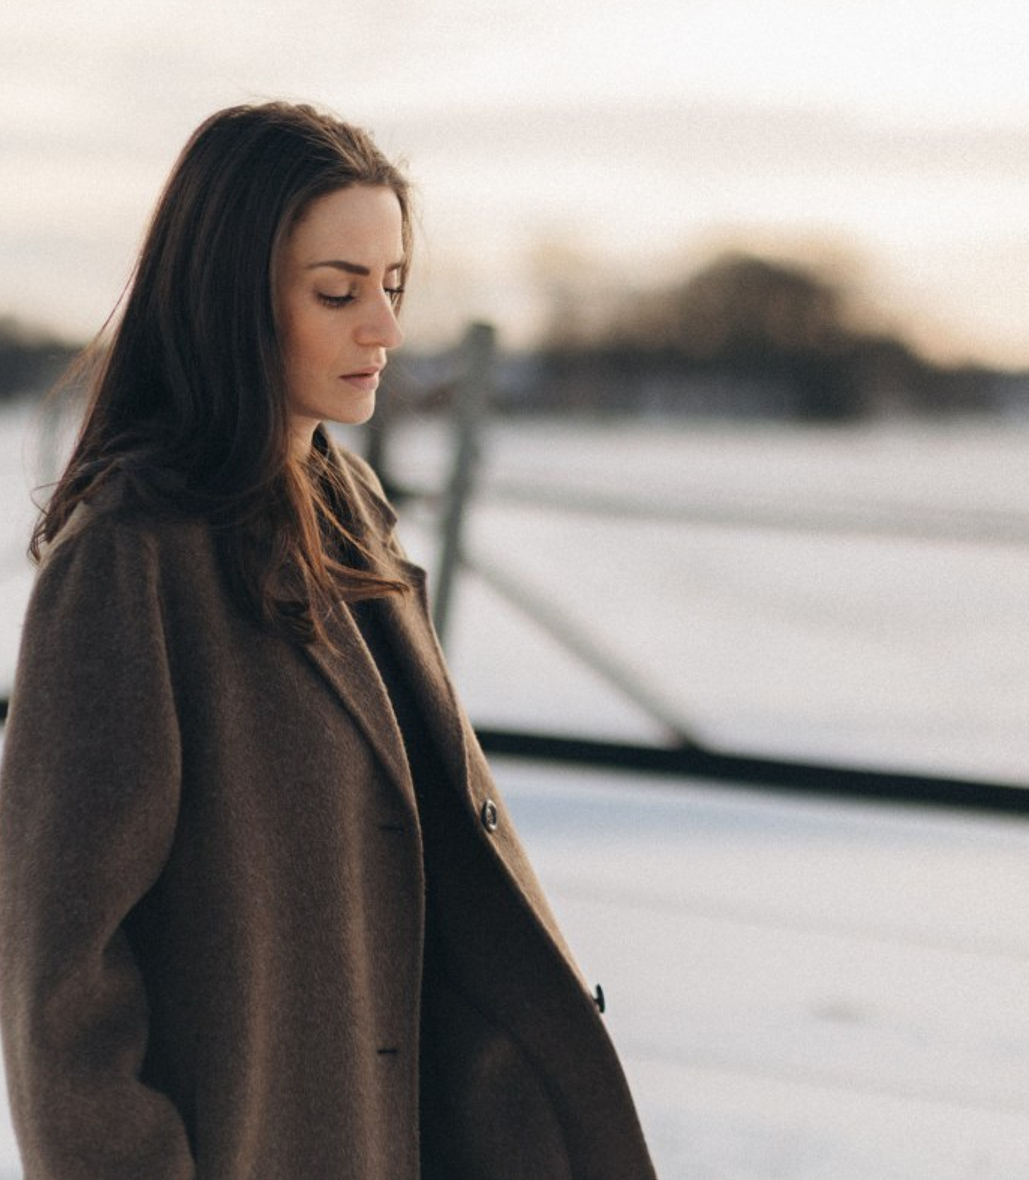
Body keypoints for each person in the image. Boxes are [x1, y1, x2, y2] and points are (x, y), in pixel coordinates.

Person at [0, 102, 657, 1180]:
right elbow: (58, 982)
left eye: (392, 284)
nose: (384, 329)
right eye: (338, 292)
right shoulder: (133, 557)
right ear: (228, 299)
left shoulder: (344, 504)